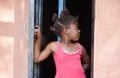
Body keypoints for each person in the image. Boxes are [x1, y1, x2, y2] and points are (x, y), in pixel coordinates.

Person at [34, 8, 90, 78]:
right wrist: (38, 39)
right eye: (76, 28)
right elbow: (37, 59)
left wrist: (79, 71)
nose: (79, 31)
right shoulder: (54, 46)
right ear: (66, 30)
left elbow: (87, 62)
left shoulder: (80, 48)